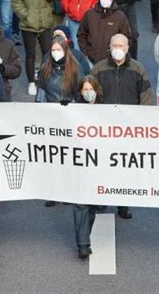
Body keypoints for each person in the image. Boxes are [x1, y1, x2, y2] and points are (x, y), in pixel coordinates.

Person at [91, 33, 153, 219]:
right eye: (115, 45)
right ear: (109, 47)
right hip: (104, 129)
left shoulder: (138, 69)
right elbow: (89, 94)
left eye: (122, 45)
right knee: (102, 165)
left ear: (127, 48)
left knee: (125, 167)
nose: (118, 48)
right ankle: (101, 198)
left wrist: (142, 124)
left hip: (129, 129)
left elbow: (146, 98)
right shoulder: (99, 68)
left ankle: (123, 203)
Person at [11, 0, 60, 96]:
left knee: (47, 53)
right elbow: (15, 1)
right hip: (28, 25)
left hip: (45, 24)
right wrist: (26, 15)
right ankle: (31, 82)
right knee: (30, 54)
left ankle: (46, 80)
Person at [72, 75, 103, 259]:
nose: (88, 92)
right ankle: (83, 244)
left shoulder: (108, 110)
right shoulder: (73, 111)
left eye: (91, 89)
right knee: (81, 203)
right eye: (84, 89)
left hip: (99, 166)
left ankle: (85, 236)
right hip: (79, 165)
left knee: (91, 206)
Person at [77, 0, 132, 65]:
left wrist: (118, 54)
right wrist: (85, 52)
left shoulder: (120, 17)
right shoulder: (90, 14)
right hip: (90, 59)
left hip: (111, 61)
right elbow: (81, 34)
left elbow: (127, 39)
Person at [36, 35, 83, 104]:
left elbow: (80, 91)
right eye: (53, 50)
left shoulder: (75, 67)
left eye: (58, 50)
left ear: (65, 50)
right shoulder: (45, 67)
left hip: (70, 108)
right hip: (50, 108)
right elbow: (41, 91)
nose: (55, 52)